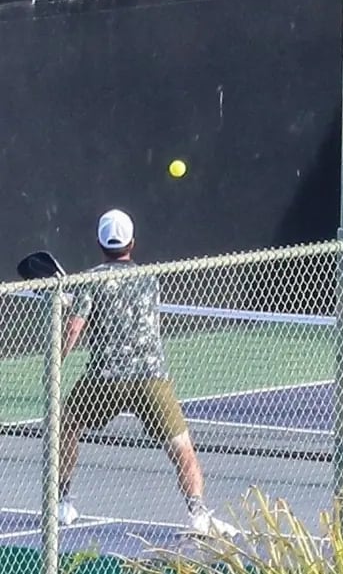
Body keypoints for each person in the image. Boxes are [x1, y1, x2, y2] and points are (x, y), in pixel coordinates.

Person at [57, 209, 238, 535]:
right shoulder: (150, 278)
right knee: (182, 448)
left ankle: (60, 502)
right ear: (132, 243)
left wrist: (56, 359)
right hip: (152, 379)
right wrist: (79, 297)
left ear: (99, 243)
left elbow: (74, 328)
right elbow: (121, 301)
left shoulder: (90, 280)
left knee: (66, 426)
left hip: (104, 379)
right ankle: (198, 515)